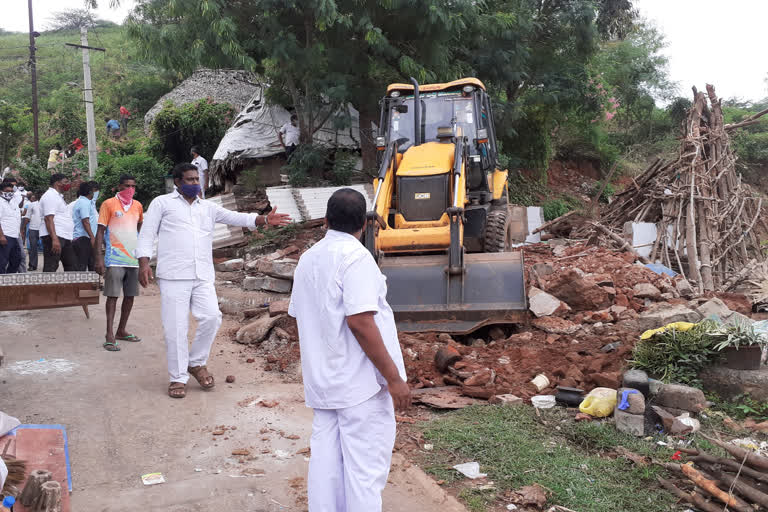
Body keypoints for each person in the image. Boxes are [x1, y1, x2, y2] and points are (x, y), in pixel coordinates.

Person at [288, 188, 410, 511]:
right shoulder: (356, 258)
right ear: (366, 225)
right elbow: (361, 323)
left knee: (326, 475)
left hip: (324, 386)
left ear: (325, 221)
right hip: (359, 390)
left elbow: (302, 316)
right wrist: (394, 379)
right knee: (363, 477)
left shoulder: (307, 260)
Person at [136, 163, 291, 398]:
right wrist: (144, 263)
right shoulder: (161, 203)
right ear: (177, 182)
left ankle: (196, 363)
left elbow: (236, 217)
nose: (194, 184)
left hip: (202, 275)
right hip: (173, 275)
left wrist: (264, 220)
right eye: (188, 180)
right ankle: (178, 378)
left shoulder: (207, 208)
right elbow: (146, 234)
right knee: (176, 329)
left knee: (212, 318)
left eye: (196, 179)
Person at [94, 175, 143, 351]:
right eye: (126, 186)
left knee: (130, 296)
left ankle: (121, 330)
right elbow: (100, 232)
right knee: (113, 296)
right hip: (114, 258)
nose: (130, 189)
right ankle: (109, 334)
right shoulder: (108, 204)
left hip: (133, 259)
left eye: (133, 186)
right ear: (118, 186)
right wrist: (99, 257)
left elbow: (139, 229)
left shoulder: (137, 205)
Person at [40, 173, 77, 272]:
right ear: (57, 183)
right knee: (51, 266)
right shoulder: (50, 196)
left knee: (72, 265)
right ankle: (46, 287)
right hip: (55, 236)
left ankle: (70, 287)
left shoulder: (58, 196)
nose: (68, 184)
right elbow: (48, 218)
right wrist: (54, 239)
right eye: (65, 182)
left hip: (64, 236)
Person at [72, 181, 100, 271]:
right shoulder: (84, 203)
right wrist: (92, 237)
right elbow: (85, 221)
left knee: (92, 264)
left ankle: (91, 284)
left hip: (87, 238)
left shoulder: (87, 202)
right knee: (82, 267)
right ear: (91, 191)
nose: (97, 193)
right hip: (83, 239)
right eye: (96, 191)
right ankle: (80, 285)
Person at [0, 181, 22, 274]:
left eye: (11, 191)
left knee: (17, 259)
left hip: (15, 235)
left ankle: (8, 279)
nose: (10, 193)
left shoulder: (13, 202)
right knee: (2, 262)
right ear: (1, 191)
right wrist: (1, 236)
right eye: (7, 191)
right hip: (5, 235)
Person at [22, 192, 41, 271]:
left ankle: (49, 266)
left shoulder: (47, 205)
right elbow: (27, 217)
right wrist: (23, 228)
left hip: (44, 229)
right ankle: (32, 265)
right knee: (33, 248)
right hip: (33, 228)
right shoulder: (31, 205)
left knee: (47, 248)